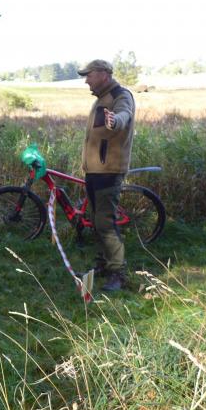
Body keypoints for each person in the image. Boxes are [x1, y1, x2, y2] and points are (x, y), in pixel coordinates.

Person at [78, 59, 136, 292]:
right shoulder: (101, 99)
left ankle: (118, 273)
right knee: (96, 221)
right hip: (94, 170)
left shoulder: (120, 95)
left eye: (89, 75)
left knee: (106, 223)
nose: (86, 80)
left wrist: (115, 121)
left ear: (103, 74)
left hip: (109, 170)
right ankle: (104, 263)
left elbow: (124, 115)